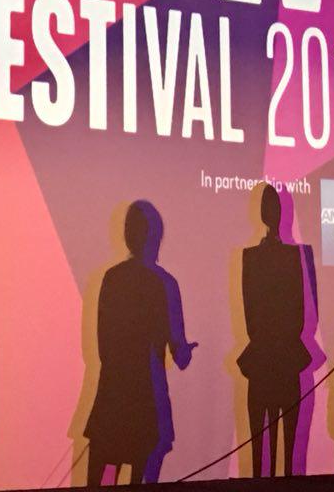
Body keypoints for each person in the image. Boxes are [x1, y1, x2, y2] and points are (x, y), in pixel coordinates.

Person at [84, 201, 197, 485]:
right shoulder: (166, 284)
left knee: (99, 480)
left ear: (127, 235)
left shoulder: (112, 279)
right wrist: (187, 350)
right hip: (149, 407)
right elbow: (180, 357)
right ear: (156, 237)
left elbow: (103, 348)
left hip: (111, 402)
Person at [237, 184, 315, 477]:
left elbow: (252, 318)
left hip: (263, 359)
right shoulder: (292, 256)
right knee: (285, 450)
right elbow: (299, 315)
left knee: (265, 451)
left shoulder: (253, 257)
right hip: (284, 359)